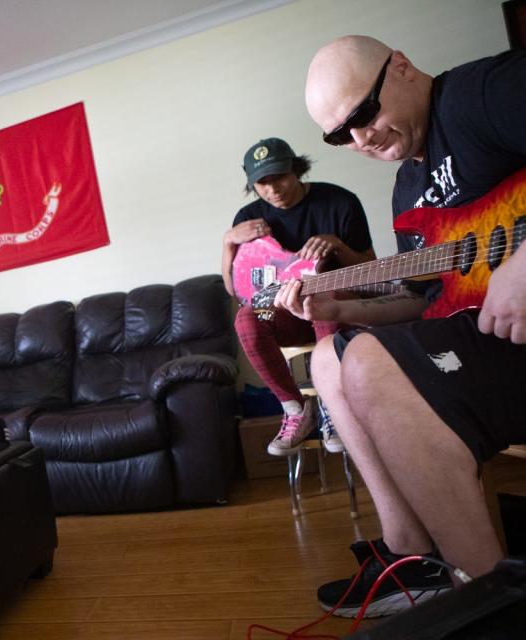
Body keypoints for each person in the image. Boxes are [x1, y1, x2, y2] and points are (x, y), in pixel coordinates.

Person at [281, 35, 526, 618]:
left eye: (364, 114)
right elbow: (421, 301)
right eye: (341, 134)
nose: (361, 139)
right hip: (488, 341)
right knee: (330, 357)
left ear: (403, 68)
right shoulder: (406, 191)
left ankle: (490, 607)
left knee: (366, 361)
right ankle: (413, 557)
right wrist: (339, 310)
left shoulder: (479, 94)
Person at [221, 137, 376, 456]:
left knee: (319, 290)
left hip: (338, 311)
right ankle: (295, 410)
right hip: (286, 317)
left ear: (296, 169)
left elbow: (371, 272)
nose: (272, 189)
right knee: (247, 317)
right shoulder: (248, 218)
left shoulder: (339, 202)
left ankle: (334, 407)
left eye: (279, 176)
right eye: (262, 183)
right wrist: (227, 243)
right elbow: (238, 290)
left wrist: (336, 245)